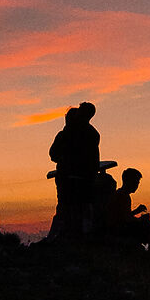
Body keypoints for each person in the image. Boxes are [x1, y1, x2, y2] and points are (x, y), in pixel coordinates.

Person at [46, 102, 104, 239]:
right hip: (83, 178)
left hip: (68, 178)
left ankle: (63, 236)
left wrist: (64, 160)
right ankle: (82, 236)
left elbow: (53, 154)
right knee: (82, 207)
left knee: (66, 207)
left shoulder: (67, 133)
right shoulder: (93, 134)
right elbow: (94, 159)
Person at [107, 166, 150, 254]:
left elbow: (124, 215)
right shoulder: (122, 196)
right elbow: (124, 220)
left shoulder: (122, 194)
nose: (137, 185)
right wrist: (140, 220)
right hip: (121, 230)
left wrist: (136, 212)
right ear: (128, 181)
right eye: (136, 182)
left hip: (121, 228)